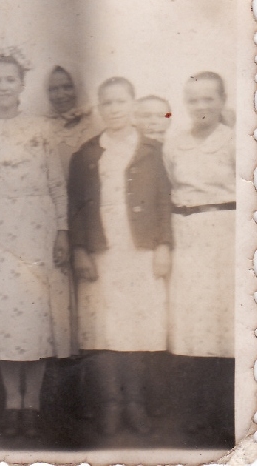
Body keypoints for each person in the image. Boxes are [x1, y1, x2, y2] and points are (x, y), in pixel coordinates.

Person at [0, 49, 69, 438]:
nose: (3, 86)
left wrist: (62, 231)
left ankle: (32, 403)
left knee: (35, 314)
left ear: (21, 84)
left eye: (10, 79)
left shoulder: (42, 127)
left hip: (37, 227)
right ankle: (11, 402)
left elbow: (56, 182)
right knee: (5, 314)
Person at [68, 76, 172, 436]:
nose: (114, 109)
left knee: (137, 326)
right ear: (100, 108)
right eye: (107, 103)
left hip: (140, 249)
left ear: (132, 105)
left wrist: (163, 246)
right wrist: (80, 250)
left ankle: (135, 403)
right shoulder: (86, 153)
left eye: (120, 102)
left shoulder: (152, 151)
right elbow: (75, 208)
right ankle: (111, 402)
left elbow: (163, 202)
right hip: (102, 250)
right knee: (106, 328)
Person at [163, 71, 235, 436]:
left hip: (225, 234)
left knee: (223, 321)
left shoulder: (235, 141)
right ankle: (197, 410)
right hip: (187, 235)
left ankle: (227, 412)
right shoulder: (175, 143)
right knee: (193, 321)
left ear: (223, 100)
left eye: (209, 98)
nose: (201, 106)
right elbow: (172, 185)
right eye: (193, 100)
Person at [46, 65, 98, 178]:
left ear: (78, 87)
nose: (60, 95)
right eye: (53, 89)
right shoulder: (41, 128)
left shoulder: (97, 123)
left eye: (67, 87)